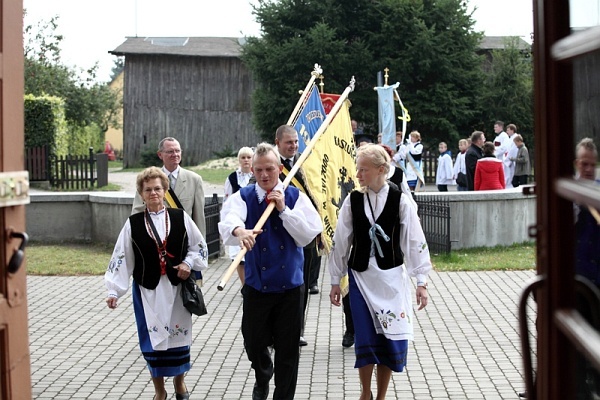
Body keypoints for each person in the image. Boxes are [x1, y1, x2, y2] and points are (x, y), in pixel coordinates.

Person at [218, 143, 323, 400]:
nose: (265, 175)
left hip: (290, 287)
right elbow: (229, 220)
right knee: (253, 343)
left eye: (270, 169)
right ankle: (263, 372)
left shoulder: (295, 196)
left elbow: (308, 234)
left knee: (288, 351)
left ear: (279, 168)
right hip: (257, 286)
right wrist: (239, 231)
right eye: (259, 170)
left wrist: (284, 210)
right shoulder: (243, 197)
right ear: (252, 170)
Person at [329, 144, 431, 400]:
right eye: (358, 169)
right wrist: (334, 279)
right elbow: (341, 241)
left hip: (391, 279)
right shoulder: (353, 201)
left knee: (388, 338)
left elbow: (413, 240)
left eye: (363, 169)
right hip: (361, 278)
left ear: (381, 170)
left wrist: (421, 281)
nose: (358, 174)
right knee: (365, 336)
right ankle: (365, 392)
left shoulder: (400, 201)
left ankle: (382, 395)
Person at [105, 167, 208, 400]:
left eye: (158, 189)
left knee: (179, 340)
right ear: (141, 194)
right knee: (152, 342)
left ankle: (180, 384)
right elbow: (122, 258)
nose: (153, 193)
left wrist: (188, 264)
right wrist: (114, 290)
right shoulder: (133, 224)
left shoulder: (181, 218)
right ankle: (159, 390)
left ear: (165, 190)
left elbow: (199, 248)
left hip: (177, 289)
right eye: (148, 189)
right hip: (147, 291)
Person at [275, 124, 322, 346]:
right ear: (278, 143)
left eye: (295, 142)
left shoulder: (307, 164)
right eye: (289, 142)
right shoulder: (270, 166)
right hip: (278, 234)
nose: (294, 146)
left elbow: (318, 195)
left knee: (300, 284)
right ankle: (275, 331)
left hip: (304, 232)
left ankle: (297, 330)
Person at [132, 137, 206, 238]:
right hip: (156, 238)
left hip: (184, 238)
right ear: (160, 155)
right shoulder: (147, 179)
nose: (175, 155)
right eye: (170, 151)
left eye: (177, 151)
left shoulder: (194, 180)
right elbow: (137, 212)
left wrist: (201, 244)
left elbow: (199, 218)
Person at [224, 146, 255, 286]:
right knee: (239, 256)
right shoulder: (232, 178)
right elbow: (227, 200)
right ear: (239, 160)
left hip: (253, 219)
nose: (246, 160)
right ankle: (244, 285)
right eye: (243, 158)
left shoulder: (256, 176)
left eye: (249, 157)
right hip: (238, 219)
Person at [503, 124, 519, 188]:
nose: (507, 132)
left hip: (512, 160)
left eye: (508, 130)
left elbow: (513, 150)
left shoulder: (515, 138)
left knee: (511, 175)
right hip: (508, 158)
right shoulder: (510, 138)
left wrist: (507, 159)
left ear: (512, 130)